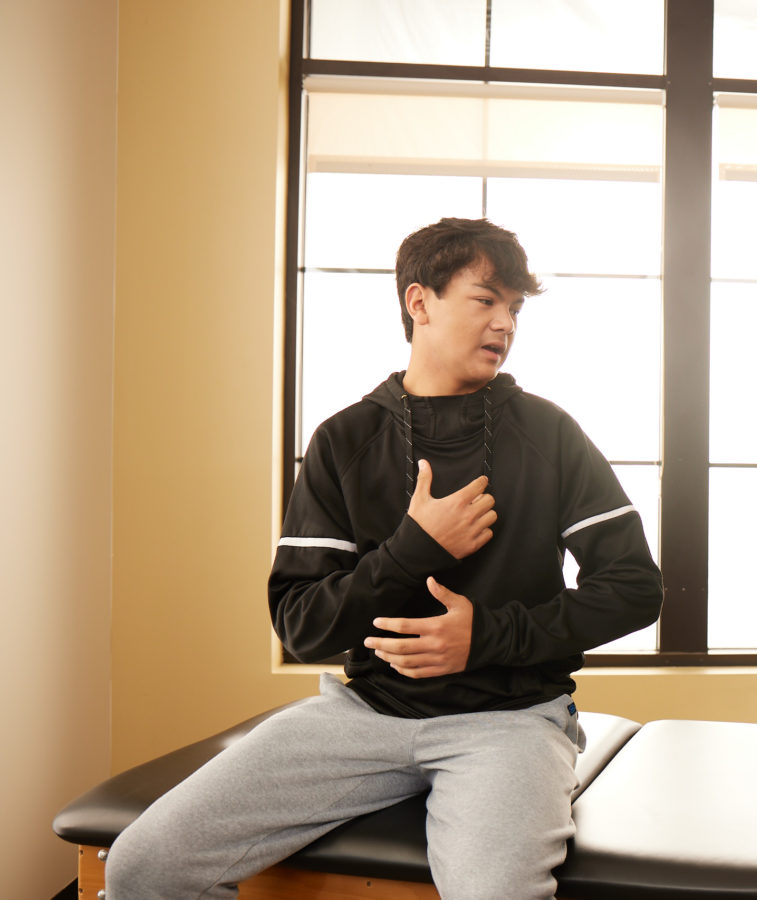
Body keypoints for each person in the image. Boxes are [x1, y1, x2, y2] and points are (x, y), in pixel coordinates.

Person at [105, 217, 664, 899]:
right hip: (361, 716)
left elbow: (635, 588)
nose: (505, 324)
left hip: (509, 723)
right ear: (419, 301)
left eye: (514, 307)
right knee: (143, 864)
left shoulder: (548, 432)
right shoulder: (344, 440)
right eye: (485, 300)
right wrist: (412, 551)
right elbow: (301, 625)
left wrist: (484, 636)